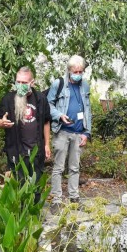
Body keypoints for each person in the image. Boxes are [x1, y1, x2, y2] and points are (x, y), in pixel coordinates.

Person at [0, 67, 51, 203]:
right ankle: (20, 215)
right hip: (16, 150)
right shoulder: (8, 99)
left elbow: (46, 122)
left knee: (36, 185)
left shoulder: (41, 98)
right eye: (18, 82)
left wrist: (47, 144)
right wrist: (2, 122)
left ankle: (34, 215)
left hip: (36, 150)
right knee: (18, 185)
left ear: (32, 82)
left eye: (24, 83)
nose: (20, 85)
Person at [48, 55, 92, 208]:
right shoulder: (58, 84)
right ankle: (56, 200)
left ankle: (74, 198)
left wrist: (87, 133)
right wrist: (59, 115)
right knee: (58, 167)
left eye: (81, 71)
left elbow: (88, 110)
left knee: (75, 167)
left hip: (78, 133)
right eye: (76, 71)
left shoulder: (84, 86)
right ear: (69, 70)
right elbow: (49, 105)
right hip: (62, 131)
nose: (78, 74)